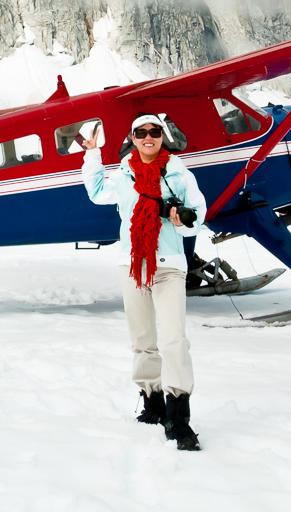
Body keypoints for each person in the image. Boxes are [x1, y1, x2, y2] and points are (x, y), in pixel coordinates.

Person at [81, 113, 207, 451]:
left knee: (173, 340)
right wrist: (93, 152)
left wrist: (183, 220)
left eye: (154, 132)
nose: (148, 137)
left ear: (162, 136)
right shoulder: (124, 174)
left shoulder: (179, 173)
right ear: (132, 138)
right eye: (141, 132)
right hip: (133, 265)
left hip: (168, 267)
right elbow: (95, 192)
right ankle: (152, 403)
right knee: (142, 340)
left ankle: (179, 418)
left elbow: (198, 214)